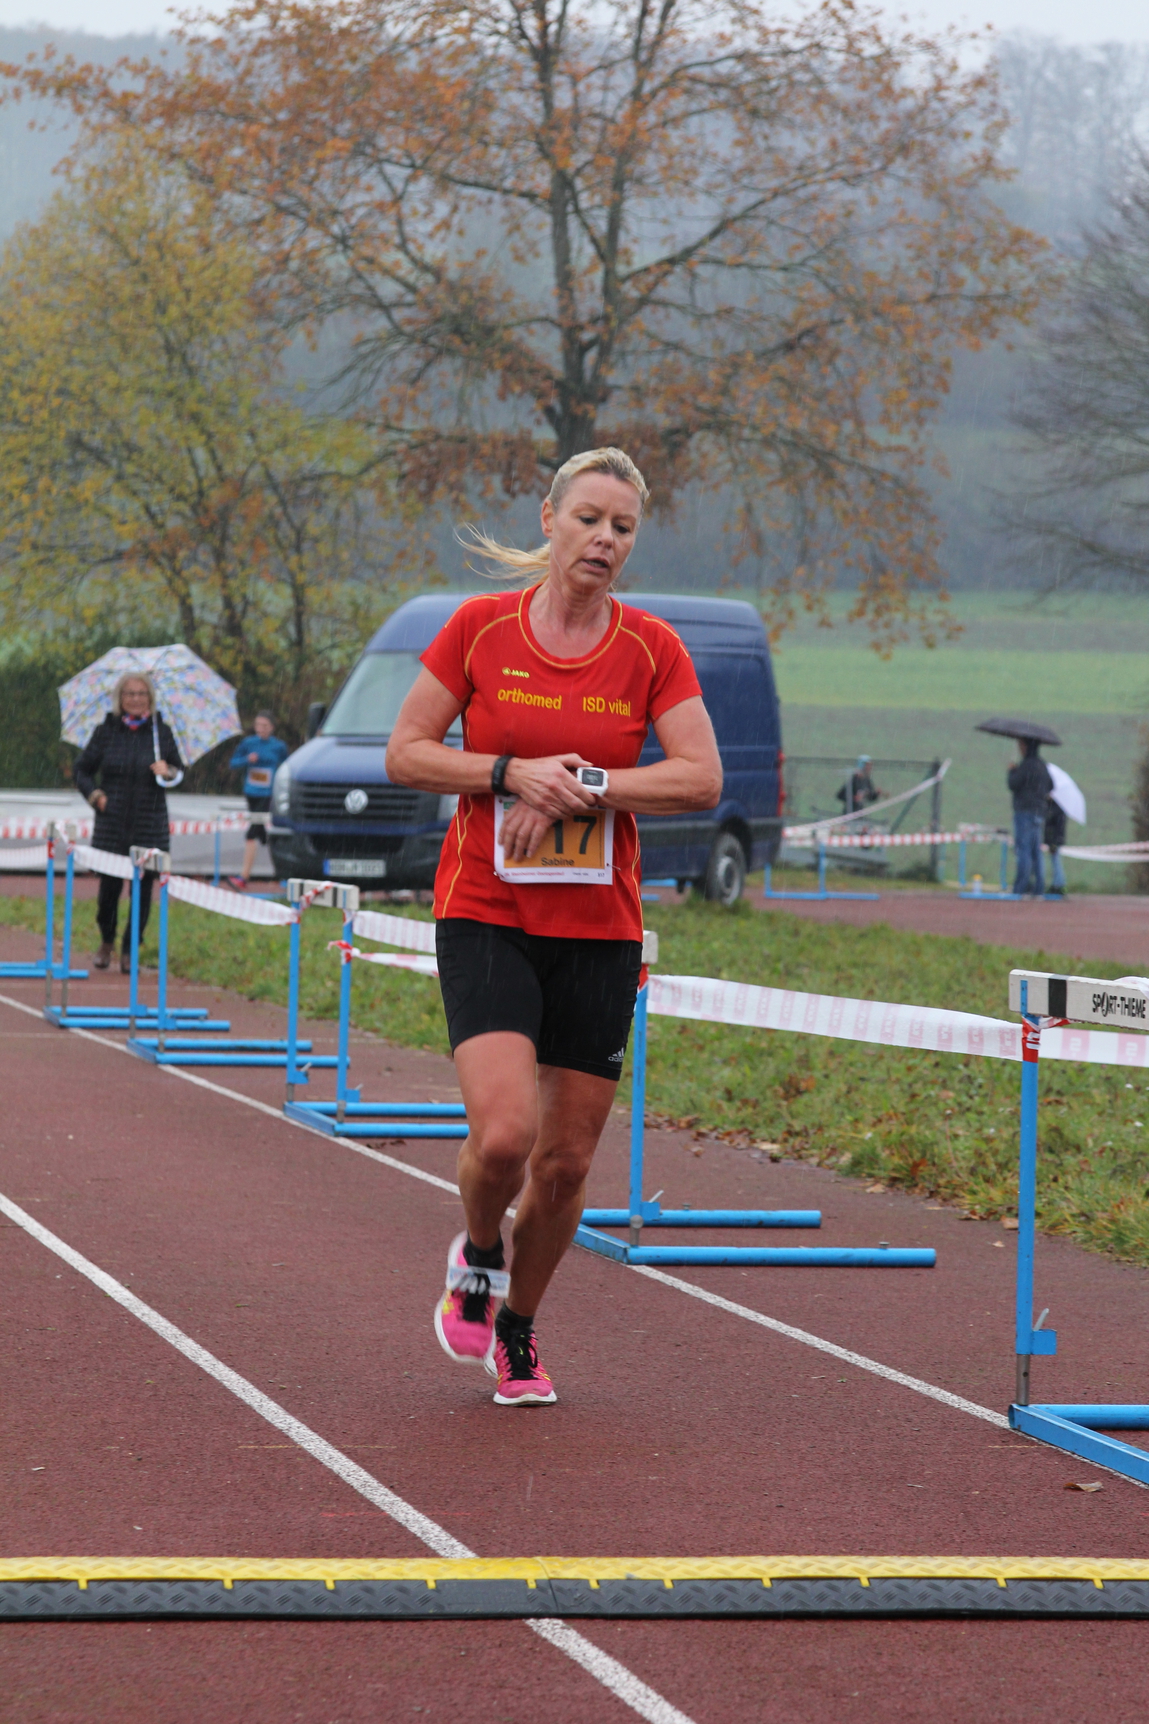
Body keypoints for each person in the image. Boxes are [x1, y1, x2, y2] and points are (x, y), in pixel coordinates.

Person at [385, 446, 722, 1406]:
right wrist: (507, 773)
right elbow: (406, 752)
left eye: (622, 528)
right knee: (503, 1138)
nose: (603, 540)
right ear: (548, 519)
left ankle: (518, 1330)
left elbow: (700, 778)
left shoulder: (650, 648)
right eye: (588, 519)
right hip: (486, 912)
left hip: (598, 929)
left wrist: (586, 784)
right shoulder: (480, 629)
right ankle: (478, 1253)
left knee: (566, 1164)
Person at [73, 672, 184, 972]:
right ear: (120, 699)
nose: (136, 699)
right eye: (130, 694)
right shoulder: (106, 731)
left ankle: (130, 948)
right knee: (108, 891)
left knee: (143, 891)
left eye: (141, 693)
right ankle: (106, 939)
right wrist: (96, 796)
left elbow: (179, 772)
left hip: (150, 822)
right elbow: (81, 770)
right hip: (112, 821)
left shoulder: (161, 733)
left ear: (150, 698)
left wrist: (168, 771)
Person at [228, 713, 288, 890]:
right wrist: (247, 759)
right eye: (258, 725)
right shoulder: (248, 743)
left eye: (265, 725)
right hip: (251, 793)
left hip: (268, 794)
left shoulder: (279, 746)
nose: (260, 729)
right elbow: (233, 763)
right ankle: (283, 874)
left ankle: (243, 878)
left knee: (252, 831)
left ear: (272, 728)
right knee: (262, 834)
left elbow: (287, 767)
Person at [1007, 738, 1053, 897]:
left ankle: (1021, 887)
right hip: (1039, 813)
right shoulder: (1042, 765)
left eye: (1021, 745)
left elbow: (1013, 784)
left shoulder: (1026, 765)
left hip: (1024, 812)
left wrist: (1012, 771)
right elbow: (1051, 785)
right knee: (1036, 852)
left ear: (1026, 746)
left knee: (1023, 850)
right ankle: (1039, 888)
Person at [1044, 793, 1067, 897]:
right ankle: (1056, 884)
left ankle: (1059, 885)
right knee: (1055, 861)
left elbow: (1058, 827)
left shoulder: (1057, 808)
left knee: (1056, 862)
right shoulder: (1050, 806)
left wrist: (1055, 842)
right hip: (1051, 840)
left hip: (1054, 841)